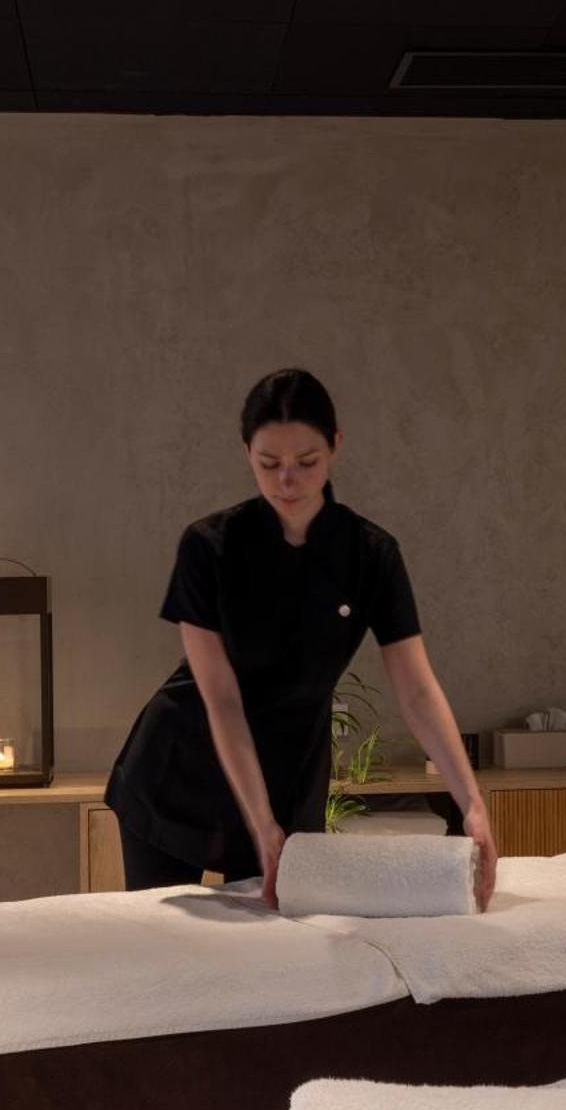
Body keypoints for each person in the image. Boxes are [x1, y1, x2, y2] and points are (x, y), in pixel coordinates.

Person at [105, 369, 499, 907]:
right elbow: (222, 700)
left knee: (276, 940)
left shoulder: (370, 555)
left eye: (306, 462)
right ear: (247, 452)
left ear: (335, 446)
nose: (287, 480)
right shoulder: (209, 548)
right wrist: (260, 822)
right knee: (168, 941)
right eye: (269, 463)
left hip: (291, 770)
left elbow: (417, 690)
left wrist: (472, 803)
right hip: (182, 766)